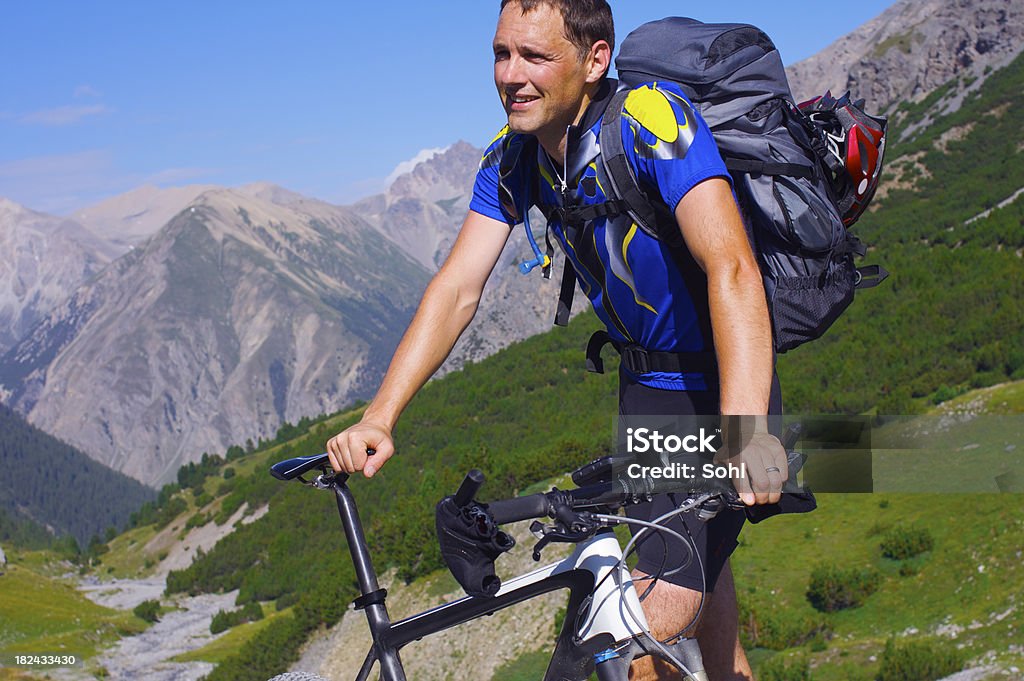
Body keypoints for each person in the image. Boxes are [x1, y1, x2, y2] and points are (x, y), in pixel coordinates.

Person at [327, 1, 791, 678]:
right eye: (500, 54)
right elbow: (458, 286)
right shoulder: (517, 156)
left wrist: (749, 432)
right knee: (697, 581)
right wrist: (380, 415)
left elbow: (733, 268)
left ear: (594, 60)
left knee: (637, 630)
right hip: (646, 393)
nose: (511, 75)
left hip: (720, 386)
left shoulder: (653, 124)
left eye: (535, 57)